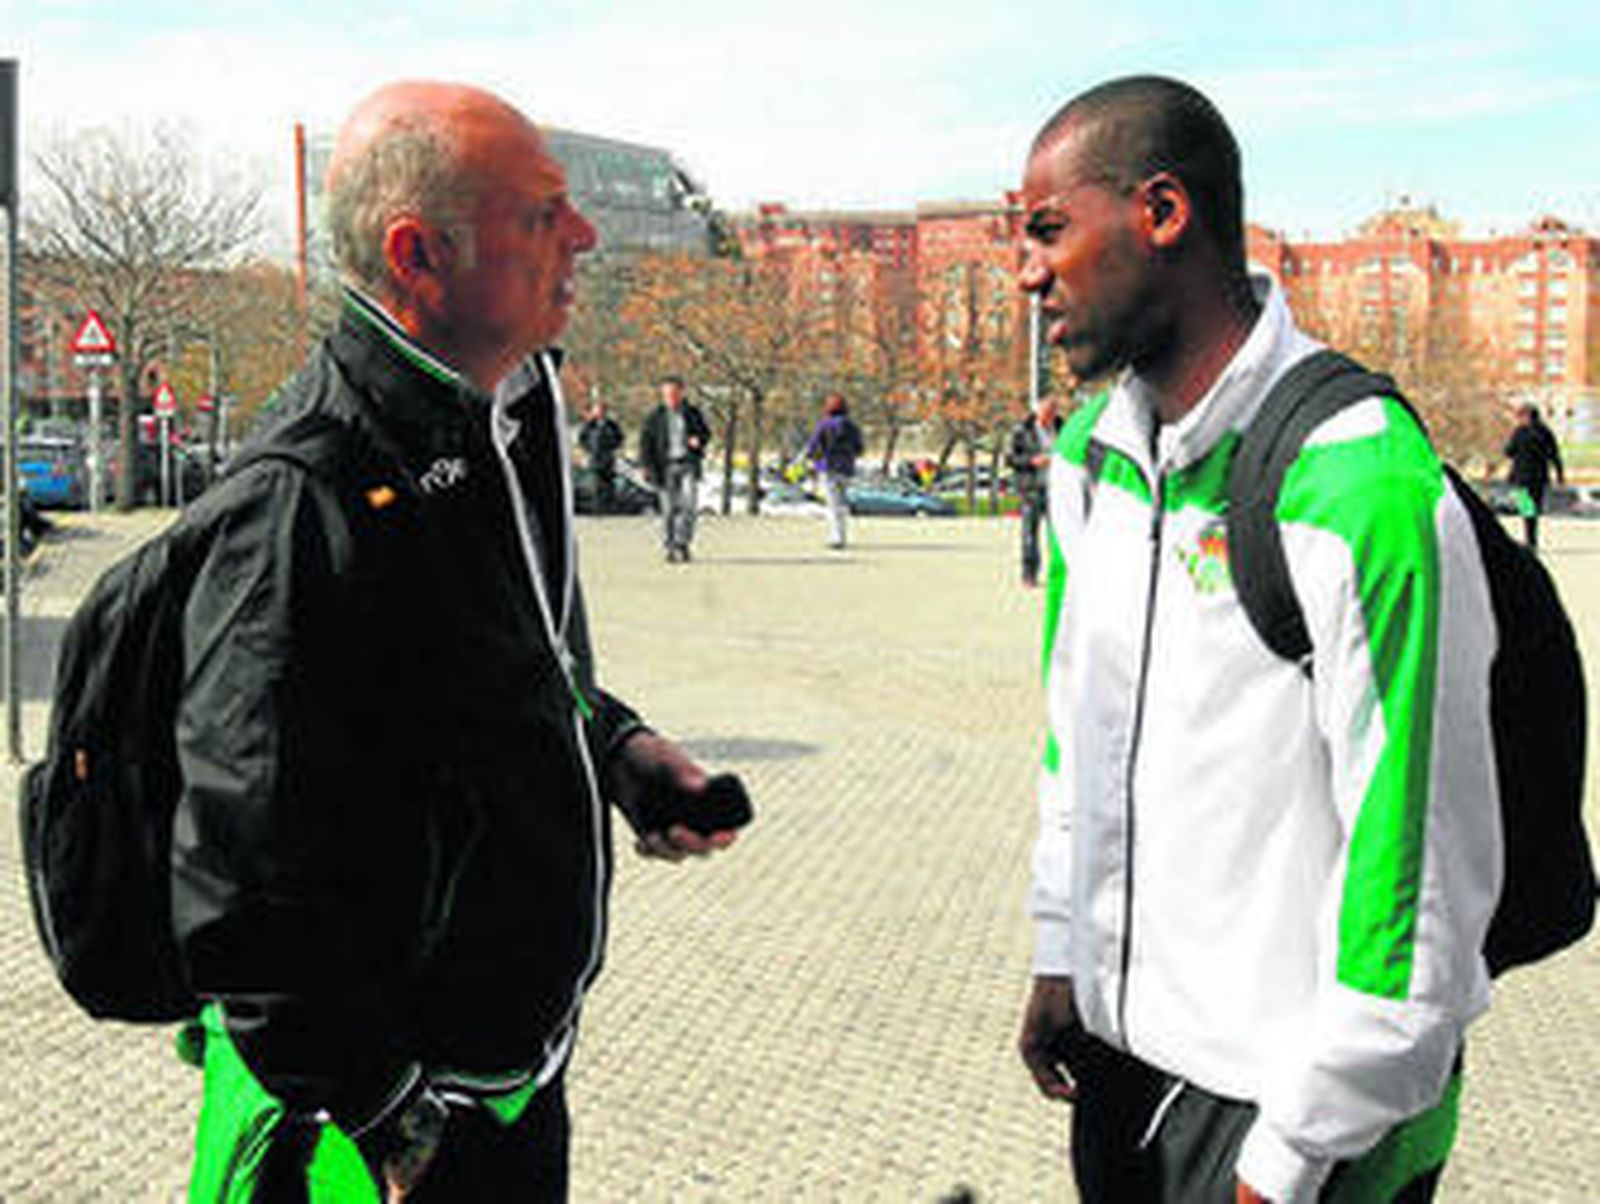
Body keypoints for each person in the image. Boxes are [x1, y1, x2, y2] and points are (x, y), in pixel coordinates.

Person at [172, 80, 744, 1203]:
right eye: (540, 215)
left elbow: (500, 673)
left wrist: (618, 751)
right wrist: (388, 1116)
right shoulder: (304, 494)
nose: (583, 237)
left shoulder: (505, 417)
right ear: (417, 254)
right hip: (377, 1132)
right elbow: (238, 878)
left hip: (509, 1082)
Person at [1015, 75, 1500, 1204]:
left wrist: (1296, 1148)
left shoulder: (1360, 482)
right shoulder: (1089, 459)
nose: (1027, 272)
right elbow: (1074, 741)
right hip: (1124, 1075)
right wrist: (1062, 950)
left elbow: (1421, 864)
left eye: (1047, 229)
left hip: (1297, 1121)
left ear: (1162, 212)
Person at [638, 375, 710, 562]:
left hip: (687, 464)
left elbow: (705, 433)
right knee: (669, 509)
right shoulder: (655, 417)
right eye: (667, 394)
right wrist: (645, 466)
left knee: (689, 506)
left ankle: (682, 543)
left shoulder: (692, 413)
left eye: (674, 393)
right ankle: (670, 545)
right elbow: (645, 443)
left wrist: (698, 440)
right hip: (665, 467)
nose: (671, 398)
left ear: (681, 393)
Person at [1005, 393, 1062, 586]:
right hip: (1031, 489)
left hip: (1057, 488)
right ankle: (1029, 574)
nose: (1049, 418)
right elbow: (1010, 459)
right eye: (1046, 413)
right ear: (1037, 412)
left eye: (1052, 413)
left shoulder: (1062, 428)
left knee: (1059, 534)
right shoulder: (1022, 430)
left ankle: (1060, 574)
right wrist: (1032, 461)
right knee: (1030, 534)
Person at [803, 392, 864, 549]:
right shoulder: (852, 427)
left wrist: (812, 458)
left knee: (833, 503)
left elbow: (813, 446)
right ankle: (841, 533)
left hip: (829, 467)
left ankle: (837, 537)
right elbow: (859, 448)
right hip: (847, 469)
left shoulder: (824, 425)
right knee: (841, 502)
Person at [1503, 402, 1564, 551]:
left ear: (1526, 416)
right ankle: (1532, 539)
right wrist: (1559, 474)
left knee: (1526, 509)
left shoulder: (1520, 432)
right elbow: (1554, 455)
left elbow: (1509, 451)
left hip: (1521, 477)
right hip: (1539, 477)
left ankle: (1529, 538)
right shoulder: (1546, 432)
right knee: (1534, 508)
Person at [577, 398, 624, 513]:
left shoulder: (611, 425)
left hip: (608, 459)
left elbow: (620, 438)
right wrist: (590, 449)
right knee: (597, 485)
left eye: (602, 410)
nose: (600, 412)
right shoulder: (589, 425)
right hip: (595, 459)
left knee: (609, 484)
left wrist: (613, 447)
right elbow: (582, 438)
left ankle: (610, 508)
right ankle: (598, 509)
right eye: (597, 410)